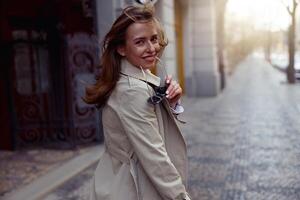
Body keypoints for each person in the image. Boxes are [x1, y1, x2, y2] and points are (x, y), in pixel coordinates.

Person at [84, 4, 191, 200]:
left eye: (153, 39)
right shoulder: (133, 90)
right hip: (135, 188)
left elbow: (152, 129)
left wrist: (173, 104)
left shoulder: (136, 77)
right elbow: (154, 156)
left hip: (121, 182)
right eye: (140, 42)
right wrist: (180, 197)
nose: (152, 48)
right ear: (122, 49)